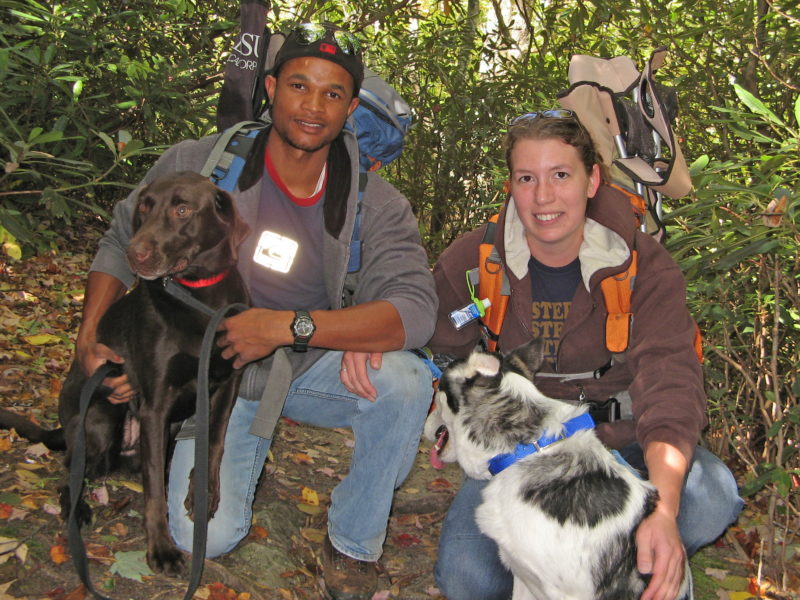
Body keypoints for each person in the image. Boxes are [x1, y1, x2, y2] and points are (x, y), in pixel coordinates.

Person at [78, 23, 437, 600]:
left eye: (332, 93)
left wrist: (297, 328)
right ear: (270, 88)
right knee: (205, 536)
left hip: (302, 360)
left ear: (350, 107)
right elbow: (123, 240)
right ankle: (230, 454)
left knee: (406, 379)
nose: (312, 107)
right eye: (299, 85)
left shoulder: (376, 204)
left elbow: (415, 310)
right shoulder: (201, 164)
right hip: (206, 371)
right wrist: (91, 332)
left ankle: (353, 543)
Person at [427, 109, 743, 600]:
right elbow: (425, 322)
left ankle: (633, 560)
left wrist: (663, 511)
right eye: (526, 178)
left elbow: (670, 383)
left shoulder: (642, 267)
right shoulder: (479, 260)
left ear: (592, 179)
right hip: (521, 454)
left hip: (623, 443)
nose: (544, 196)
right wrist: (370, 347)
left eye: (561, 175)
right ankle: (596, 557)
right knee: (470, 580)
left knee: (710, 495)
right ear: (510, 185)